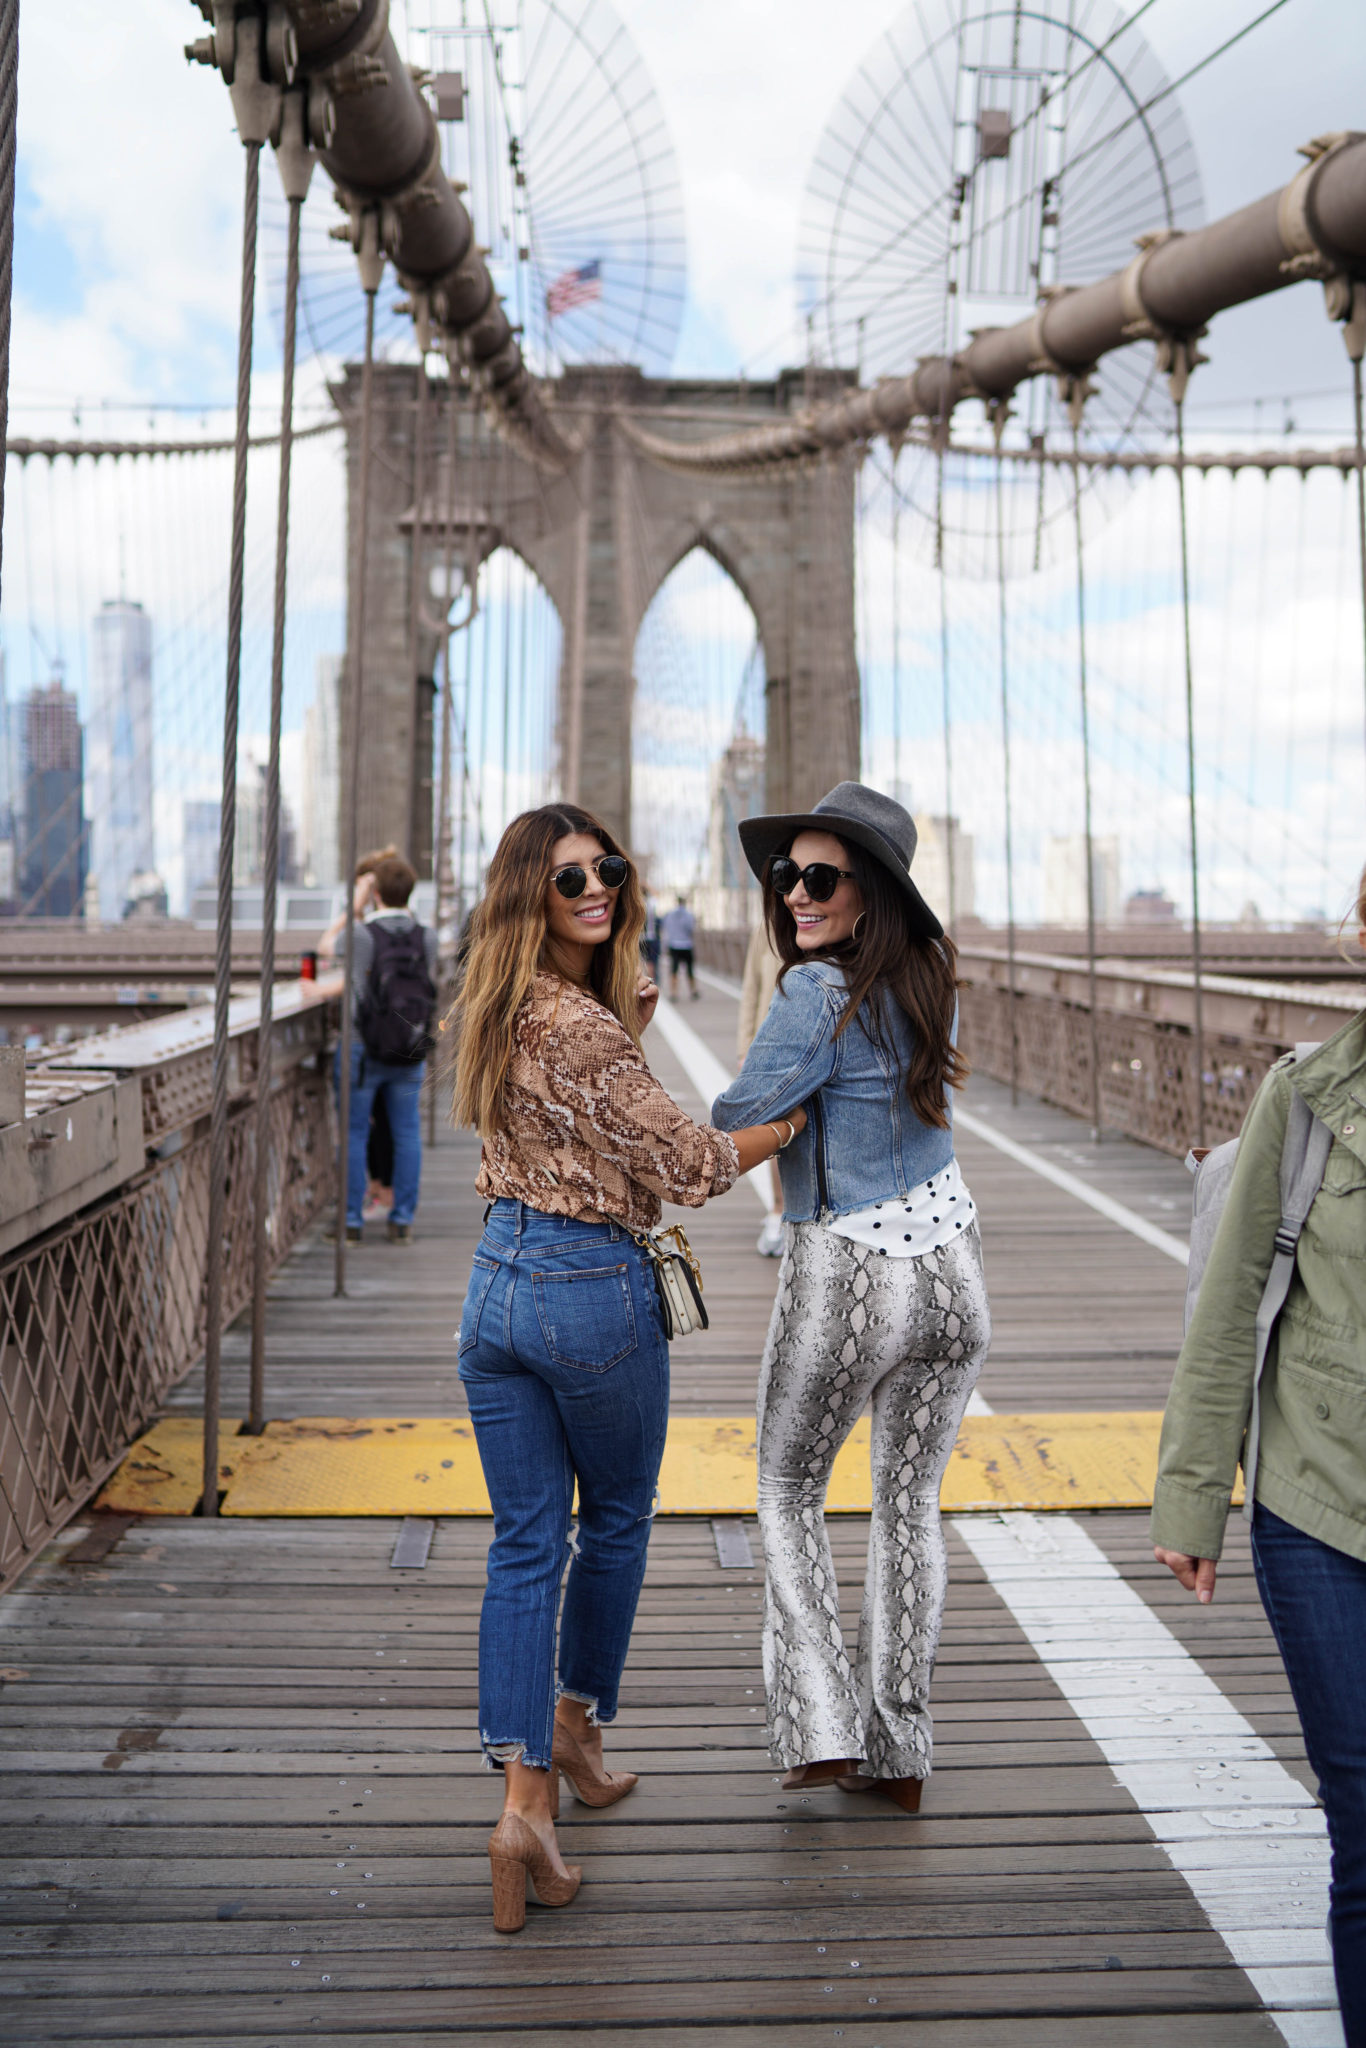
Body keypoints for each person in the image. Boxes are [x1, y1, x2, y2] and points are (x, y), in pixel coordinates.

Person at [451, 802, 807, 1932]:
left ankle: (527, 1804)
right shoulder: (589, 1028)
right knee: (612, 1517)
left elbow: (575, 1117)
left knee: (520, 1543)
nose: (596, 887)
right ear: (527, 898)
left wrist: (627, 1023)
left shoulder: (499, 1003)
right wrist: (785, 1126)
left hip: (495, 1283)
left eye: (606, 867)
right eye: (568, 879)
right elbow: (690, 1162)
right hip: (586, 1292)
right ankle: (579, 1722)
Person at [710, 781, 987, 1812]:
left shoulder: (814, 993)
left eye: (818, 876)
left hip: (852, 1267)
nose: (793, 894)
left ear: (868, 891)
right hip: (954, 1268)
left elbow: (740, 1109)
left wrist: (779, 1123)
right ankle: (901, 1751)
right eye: (786, 875)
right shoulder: (932, 975)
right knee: (909, 1503)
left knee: (786, 1490)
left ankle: (822, 1722)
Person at [1152, 861, 1366, 2048]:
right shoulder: (1307, 1095)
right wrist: (1192, 1494)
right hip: (1318, 1503)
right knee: (1365, 1822)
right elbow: (1230, 1298)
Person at [339, 851, 438, 1245]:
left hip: (363, 1047)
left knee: (354, 1133)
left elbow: (330, 947)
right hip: (409, 1047)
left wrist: (357, 900)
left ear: (375, 891)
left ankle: (351, 1222)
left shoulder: (360, 934)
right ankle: (401, 1221)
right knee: (406, 1133)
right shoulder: (425, 936)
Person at [739, 919, 785, 1257]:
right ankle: (778, 1210)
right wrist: (745, 1049)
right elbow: (751, 988)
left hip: (814, 1044)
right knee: (775, 1134)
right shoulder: (768, 928)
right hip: (769, 1046)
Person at [661, 893, 698, 999]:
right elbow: (691, 929)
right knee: (690, 969)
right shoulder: (689, 915)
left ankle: (673, 993)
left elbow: (665, 927)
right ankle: (693, 991)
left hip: (674, 945)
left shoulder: (670, 915)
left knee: (674, 970)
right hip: (686, 944)